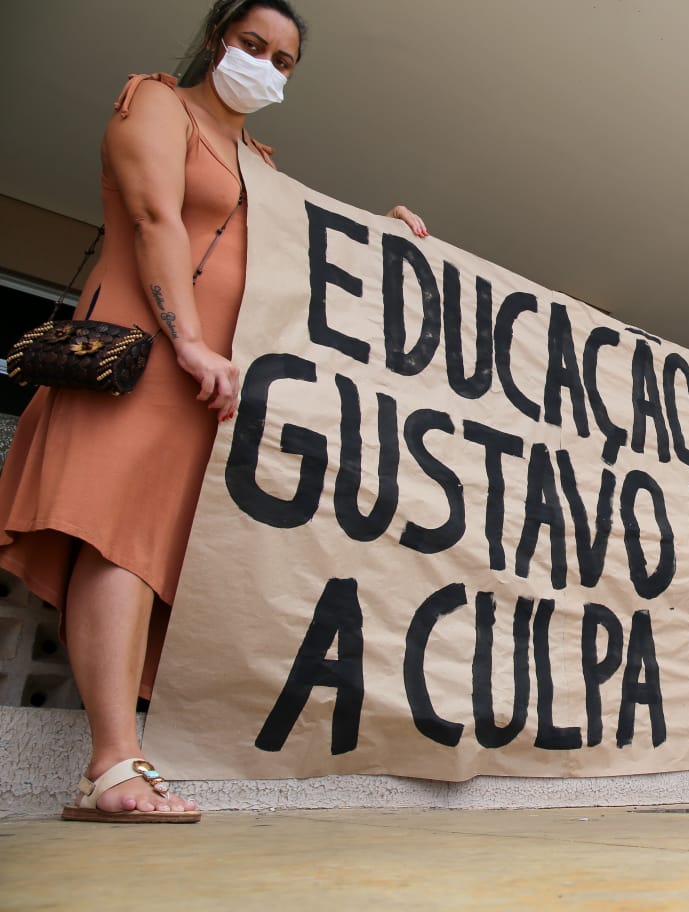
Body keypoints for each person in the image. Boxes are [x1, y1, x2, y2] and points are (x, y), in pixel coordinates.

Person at [0, 0, 425, 823]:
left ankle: (121, 760)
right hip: (144, 360)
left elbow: (299, 242)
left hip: (205, 388)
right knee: (116, 544)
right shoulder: (156, 101)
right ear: (216, 40)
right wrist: (188, 340)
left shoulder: (255, 155)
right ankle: (112, 763)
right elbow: (158, 215)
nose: (264, 65)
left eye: (284, 59)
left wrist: (379, 236)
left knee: (149, 555)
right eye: (251, 44)